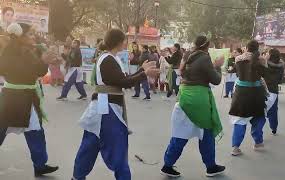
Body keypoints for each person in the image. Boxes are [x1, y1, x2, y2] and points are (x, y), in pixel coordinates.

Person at [71, 29, 158, 180]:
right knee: (116, 147)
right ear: (118, 41)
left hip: (104, 107)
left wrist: (141, 71)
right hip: (107, 109)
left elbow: (122, 79)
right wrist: (144, 74)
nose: (126, 43)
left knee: (90, 145)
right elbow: (122, 82)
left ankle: (78, 176)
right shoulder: (108, 59)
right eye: (124, 40)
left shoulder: (110, 58)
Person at [161, 36, 225, 178]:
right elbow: (216, 79)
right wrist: (218, 66)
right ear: (206, 46)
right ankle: (211, 166)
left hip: (184, 97)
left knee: (180, 134)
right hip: (199, 100)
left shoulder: (187, 55)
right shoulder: (204, 57)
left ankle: (167, 165)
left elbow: (184, 72)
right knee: (206, 134)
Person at [0, 23, 58, 177]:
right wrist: (43, 61)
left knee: (35, 130)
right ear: (21, 37)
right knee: (2, 130)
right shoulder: (10, 52)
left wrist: (46, 60)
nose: (34, 37)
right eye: (30, 34)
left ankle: (40, 164)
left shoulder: (28, 51)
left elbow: (37, 70)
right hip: (13, 99)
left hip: (26, 97)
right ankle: (40, 164)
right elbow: (22, 71)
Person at [229, 40, 267, 156]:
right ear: (257, 49)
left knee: (240, 120)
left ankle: (235, 147)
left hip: (241, 92)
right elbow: (265, 74)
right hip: (256, 92)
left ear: (246, 48)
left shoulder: (238, 59)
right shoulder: (261, 60)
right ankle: (258, 142)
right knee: (259, 117)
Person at [264, 48, 284, 135]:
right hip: (274, 90)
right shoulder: (281, 66)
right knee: (273, 110)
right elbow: (280, 81)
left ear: (270, 55)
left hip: (263, 89)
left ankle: (258, 135)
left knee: (261, 110)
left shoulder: (264, 64)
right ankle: (274, 128)